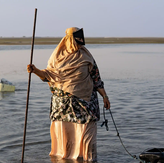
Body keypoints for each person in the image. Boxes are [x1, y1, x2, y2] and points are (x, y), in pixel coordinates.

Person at [27, 27, 110, 162]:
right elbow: (48, 76)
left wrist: (105, 97)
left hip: (86, 106)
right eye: (76, 41)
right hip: (63, 108)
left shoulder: (86, 56)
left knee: (88, 141)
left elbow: (96, 79)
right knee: (65, 141)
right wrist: (35, 70)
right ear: (68, 39)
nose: (78, 45)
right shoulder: (57, 57)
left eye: (80, 42)